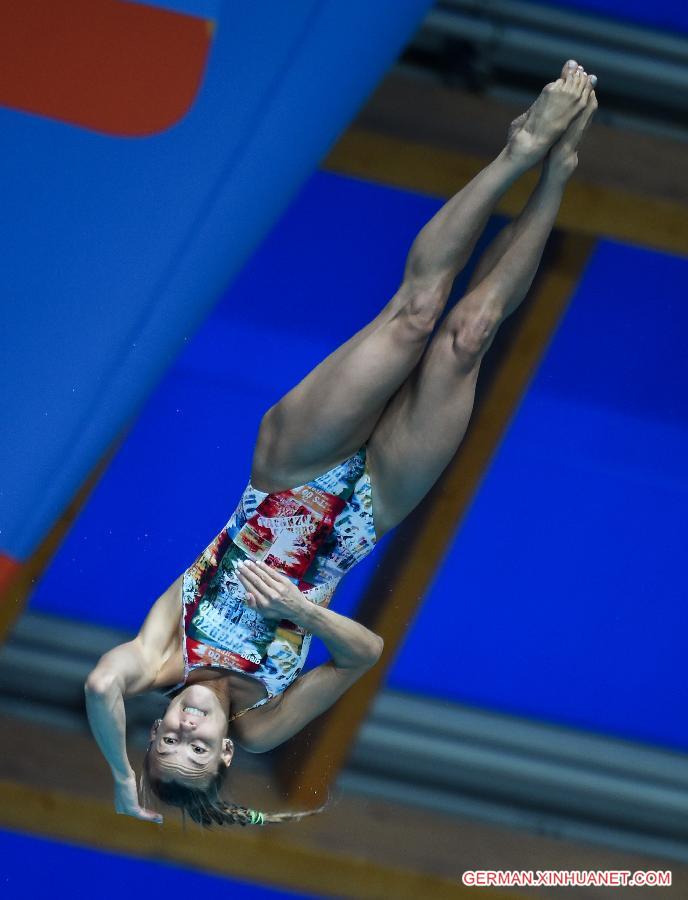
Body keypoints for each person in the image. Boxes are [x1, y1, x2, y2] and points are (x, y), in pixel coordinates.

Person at [84, 61, 598, 829]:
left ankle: (519, 151)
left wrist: (125, 782)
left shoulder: (160, 655)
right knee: (467, 337)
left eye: (165, 739)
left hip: (292, 470)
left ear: (154, 724)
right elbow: (364, 654)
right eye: (196, 748)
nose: (185, 730)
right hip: (367, 514)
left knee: (418, 313)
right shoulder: (264, 724)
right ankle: (557, 173)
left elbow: (98, 689)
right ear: (226, 752)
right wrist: (302, 610)